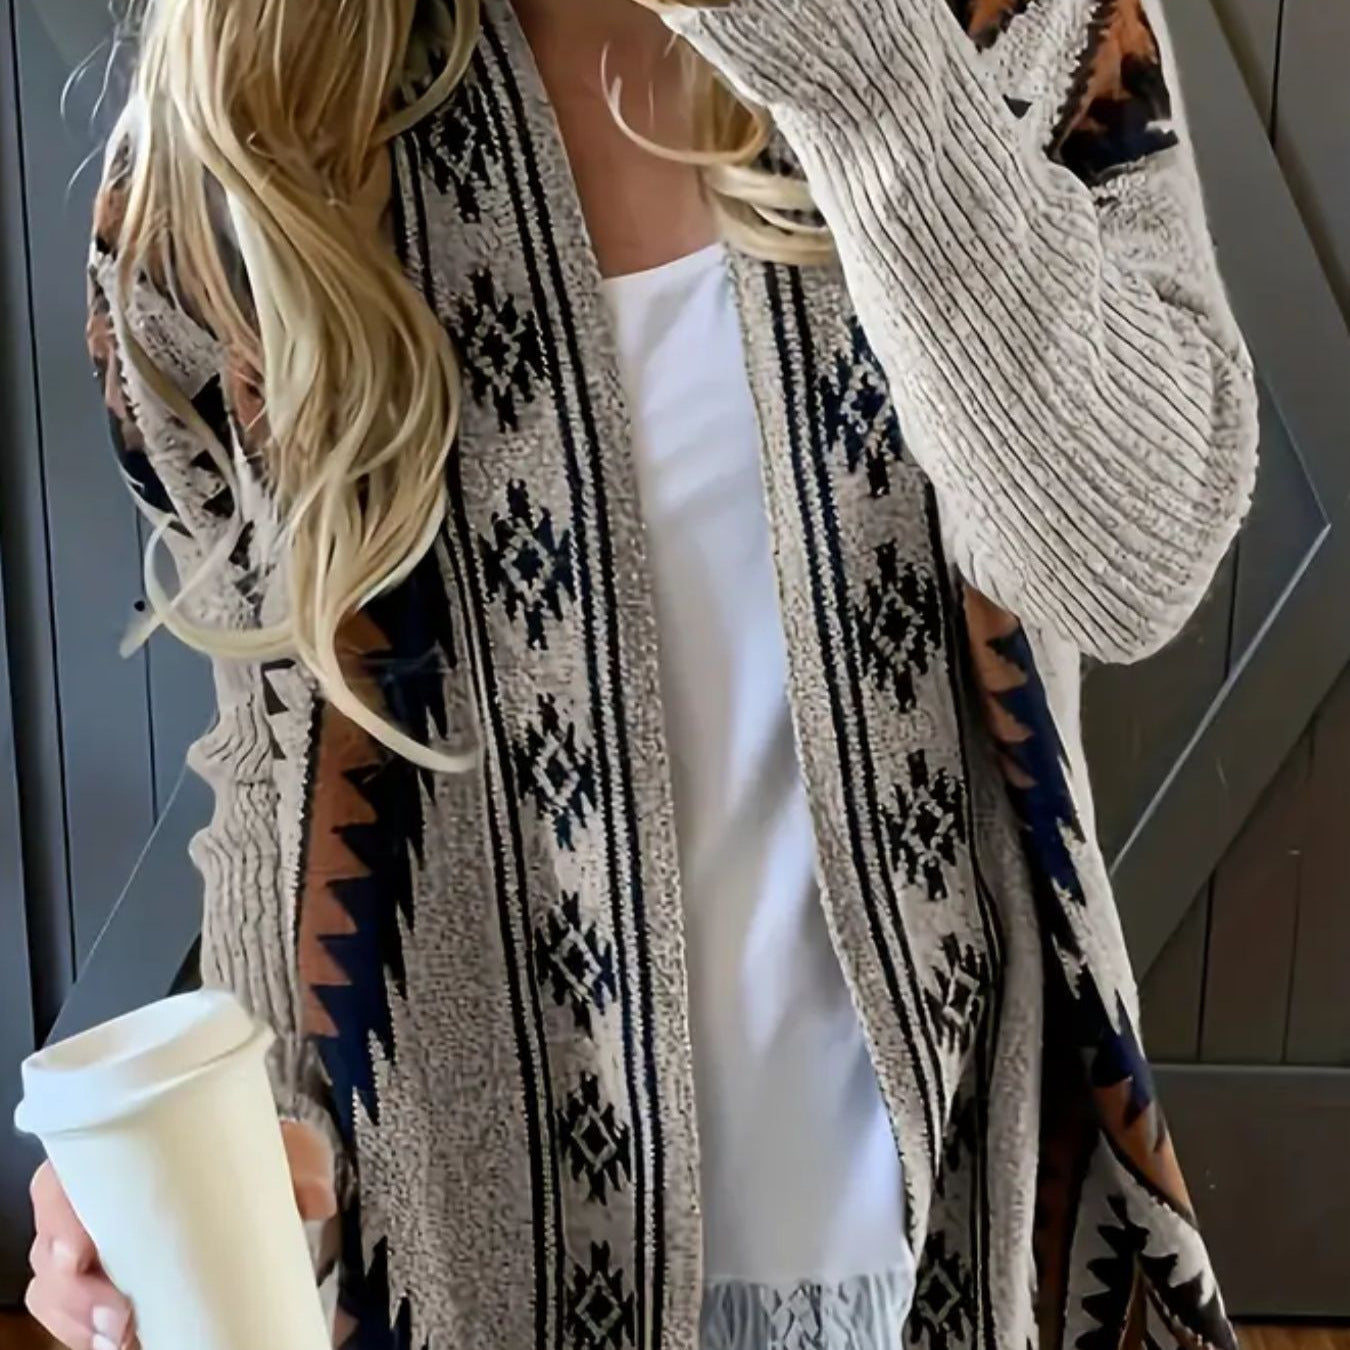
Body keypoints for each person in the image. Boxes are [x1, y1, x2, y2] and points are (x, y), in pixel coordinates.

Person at [28, 0, 1258, 1347]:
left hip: (948, 1257)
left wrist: (868, 79)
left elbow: (1130, 564)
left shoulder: (1014, 25)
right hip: (476, 1284)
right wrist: (252, 1138)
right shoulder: (236, 121)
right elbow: (279, 742)